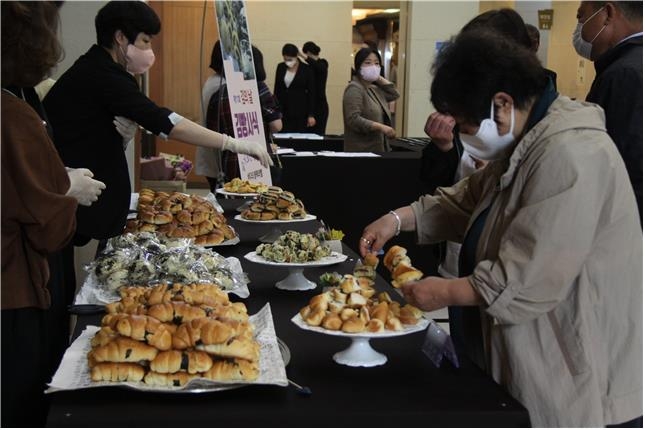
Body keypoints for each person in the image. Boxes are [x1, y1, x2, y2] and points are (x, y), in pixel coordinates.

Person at [358, 29, 642, 427]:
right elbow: (464, 200)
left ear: (502, 104)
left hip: (571, 361)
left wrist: (444, 292)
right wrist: (397, 219)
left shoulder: (571, 155)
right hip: (521, 346)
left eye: (466, 125)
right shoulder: (525, 143)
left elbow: (529, 278)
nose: (462, 136)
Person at [43, 1, 272, 248]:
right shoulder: (103, 74)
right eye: (145, 41)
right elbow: (166, 122)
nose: (150, 50)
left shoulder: (101, 69)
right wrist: (232, 143)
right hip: (71, 208)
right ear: (120, 37)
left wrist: (120, 139)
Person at [1, 1, 104, 426]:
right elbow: (47, 230)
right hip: (15, 292)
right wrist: (67, 191)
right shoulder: (12, 114)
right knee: (22, 400)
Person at [573, 1, 642, 223]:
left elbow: (621, 167)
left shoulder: (624, 74)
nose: (578, 28)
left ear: (608, 14)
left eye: (581, 18)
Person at [195, 41, 283, 190]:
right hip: (251, 158)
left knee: (229, 201)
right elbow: (276, 125)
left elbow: (212, 126)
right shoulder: (253, 87)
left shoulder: (214, 85)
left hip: (222, 157)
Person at [342, 47, 399, 152]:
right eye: (368, 63)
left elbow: (394, 94)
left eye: (377, 63)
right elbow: (353, 119)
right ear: (358, 67)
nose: (373, 67)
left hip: (377, 148)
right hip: (361, 151)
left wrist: (378, 78)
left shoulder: (373, 88)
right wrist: (381, 127)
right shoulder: (354, 88)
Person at [274, 43, 316, 133]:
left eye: (290, 59)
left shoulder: (306, 69)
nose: (287, 62)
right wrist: (275, 110)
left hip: (300, 110)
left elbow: (311, 93)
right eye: (285, 59)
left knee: (298, 137)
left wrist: (311, 114)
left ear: (296, 56)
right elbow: (277, 89)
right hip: (283, 111)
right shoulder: (280, 67)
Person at [302, 41, 329, 135]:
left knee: (318, 135)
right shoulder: (309, 67)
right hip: (310, 105)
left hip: (320, 106)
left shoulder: (323, 63)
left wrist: (302, 56)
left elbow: (319, 67)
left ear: (308, 53)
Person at [526, 23, 558, 90]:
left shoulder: (549, 77)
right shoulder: (511, 76)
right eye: (527, 41)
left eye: (533, 42)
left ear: (537, 45)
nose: (530, 46)